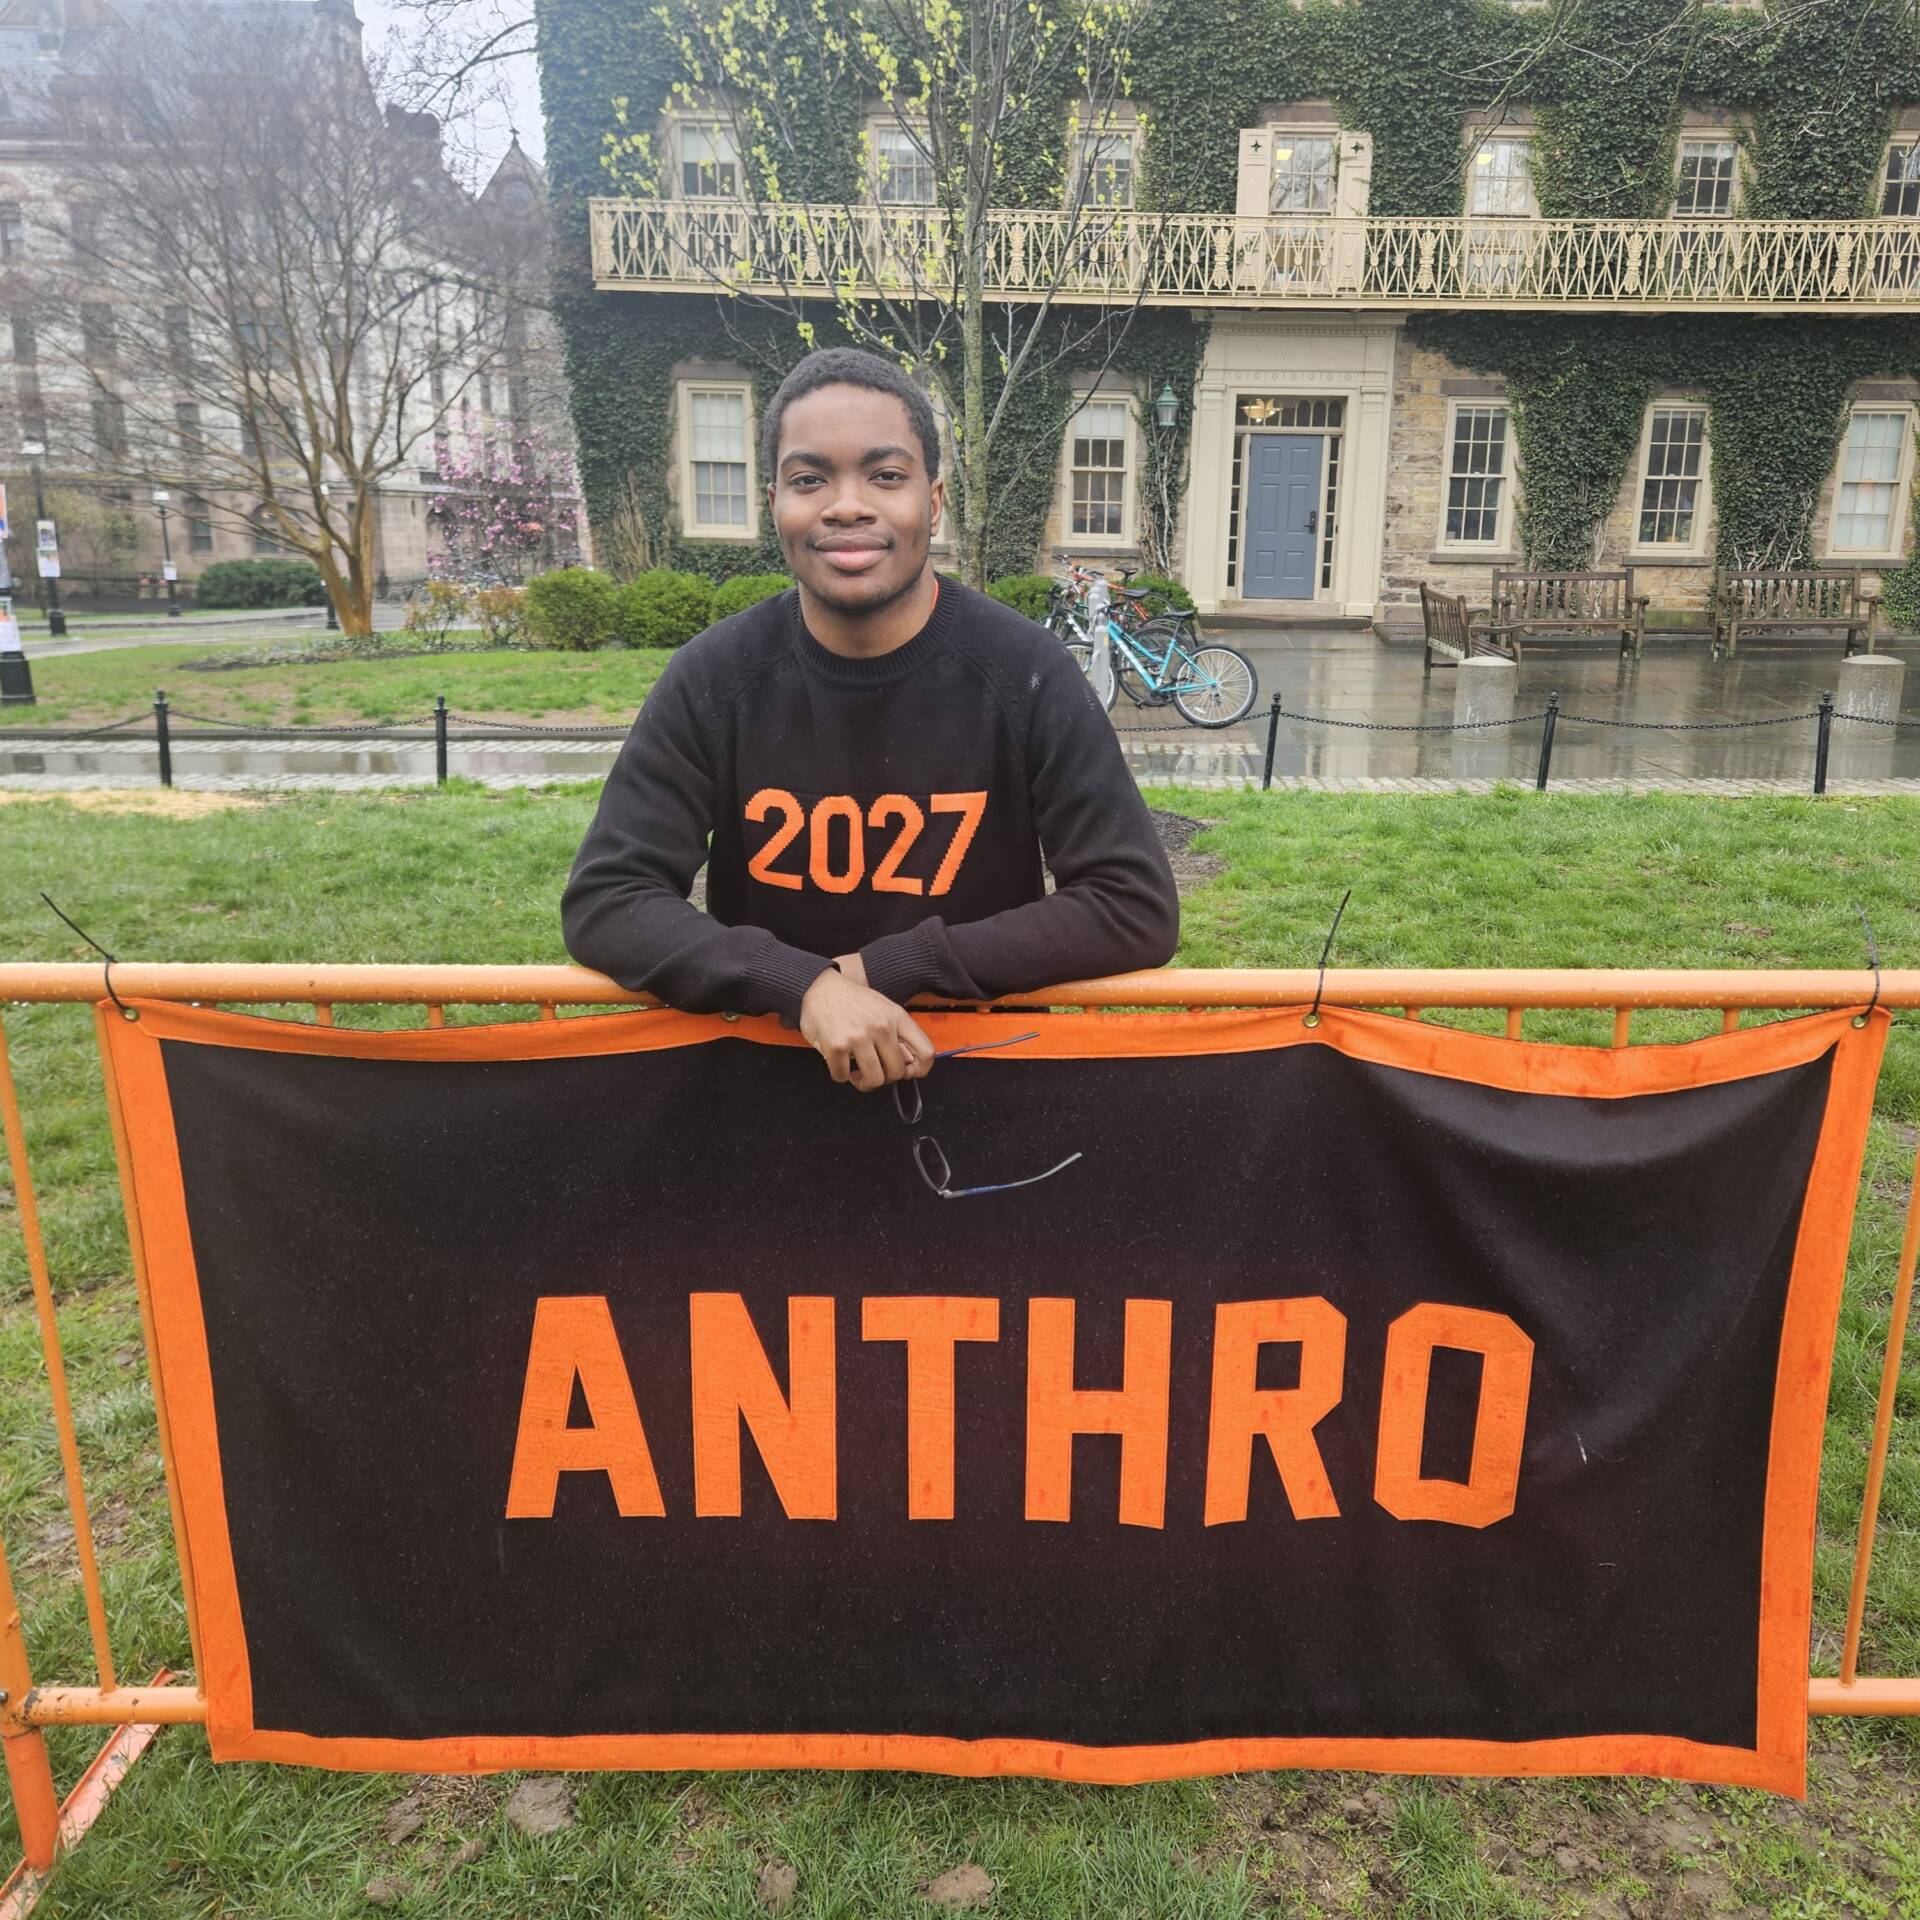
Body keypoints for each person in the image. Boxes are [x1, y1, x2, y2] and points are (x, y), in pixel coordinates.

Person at [562, 345, 1178, 1091]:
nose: (846, 504)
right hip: (766, 1083)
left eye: (886, 476)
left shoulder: (1025, 671)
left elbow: (1133, 905)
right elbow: (608, 899)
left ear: (935, 500)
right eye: (809, 478)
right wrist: (804, 987)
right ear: (774, 505)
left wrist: (882, 971)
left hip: (977, 1083)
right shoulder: (716, 676)